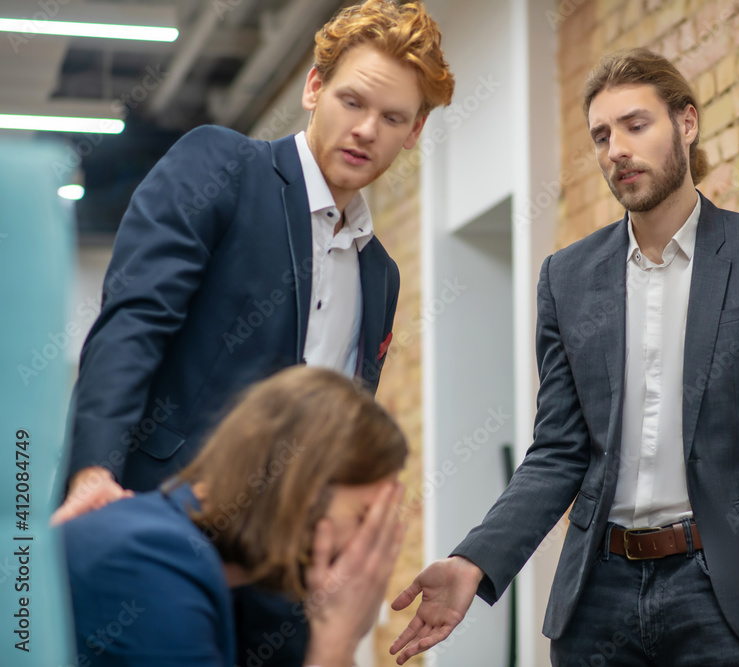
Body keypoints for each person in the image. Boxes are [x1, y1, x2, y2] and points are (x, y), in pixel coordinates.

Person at [389, 49, 739, 666]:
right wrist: (474, 560)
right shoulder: (566, 278)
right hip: (598, 594)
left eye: (635, 125)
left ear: (687, 123)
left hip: (726, 590)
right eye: (601, 135)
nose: (616, 148)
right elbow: (558, 452)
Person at [54, 1, 452, 664]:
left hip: (285, 580)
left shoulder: (379, 274)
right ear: (313, 87)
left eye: (392, 119)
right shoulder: (224, 166)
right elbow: (134, 322)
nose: (365, 131)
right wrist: (94, 471)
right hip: (163, 542)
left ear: (415, 132)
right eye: (351, 101)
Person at [60, 365, 408, 667]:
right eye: (365, 518)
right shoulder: (155, 561)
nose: (370, 553)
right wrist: (336, 644)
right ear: (302, 489)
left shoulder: (175, 550)